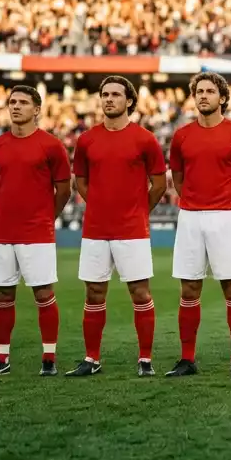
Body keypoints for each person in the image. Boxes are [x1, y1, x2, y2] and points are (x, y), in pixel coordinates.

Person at [68, 76, 167, 378]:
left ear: (129, 101)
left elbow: (159, 184)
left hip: (132, 230)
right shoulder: (87, 140)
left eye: (115, 94)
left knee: (140, 293)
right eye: (105, 94)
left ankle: (145, 359)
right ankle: (92, 358)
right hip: (95, 229)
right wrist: (100, 205)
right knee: (94, 293)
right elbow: (80, 181)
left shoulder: (145, 139)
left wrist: (138, 211)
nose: (109, 99)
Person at [0, 85, 71, 377]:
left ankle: (49, 359)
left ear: (37, 110)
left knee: (43, 293)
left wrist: (46, 218)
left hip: (37, 233)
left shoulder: (51, 146)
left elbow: (64, 190)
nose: (16, 106)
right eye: (12, 102)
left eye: (23, 102)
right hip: (2, 232)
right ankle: (1, 359)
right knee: (2, 294)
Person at [166, 72, 231, 378]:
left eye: (209, 91)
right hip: (190, 217)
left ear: (222, 98)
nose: (203, 95)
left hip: (225, 217)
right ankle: (187, 359)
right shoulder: (181, 136)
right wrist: (193, 201)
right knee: (189, 288)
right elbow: (177, 177)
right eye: (199, 91)